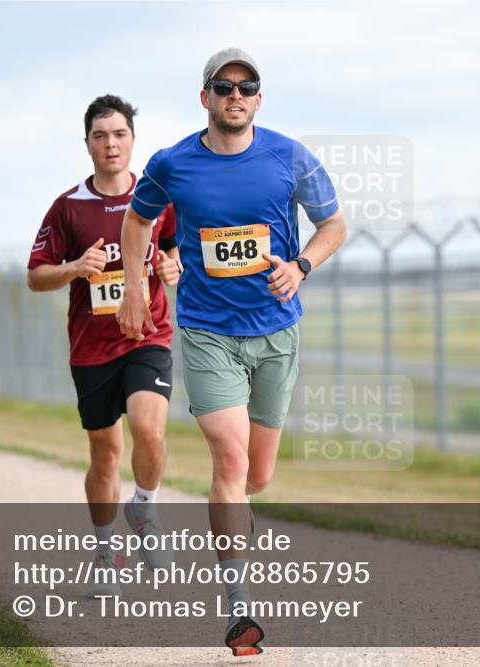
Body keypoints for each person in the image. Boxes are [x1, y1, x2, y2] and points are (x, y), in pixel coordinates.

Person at [117, 48, 346, 655]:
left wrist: (300, 266)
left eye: (246, 87)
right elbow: (137, 224)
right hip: (206, 331)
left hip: (275, 331)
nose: (235, 96)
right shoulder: (173, 162)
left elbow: (334, 227)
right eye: (223, 87)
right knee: (229, 455)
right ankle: (239, 606)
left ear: (259, 99)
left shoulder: (291, 156)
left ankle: (235, 517)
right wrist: (137, 284)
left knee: (256, 476)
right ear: (206, 98)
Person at [27, 94, 180, 597]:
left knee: (148, 430)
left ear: (133, 140)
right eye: (100, 135)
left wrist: (172, 267)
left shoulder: (158, 199)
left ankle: (146, 509)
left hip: (147, 335)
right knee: (106, 452)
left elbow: (178, 252)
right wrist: (74, 268)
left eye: (119, 134)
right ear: (87, 143)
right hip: (91, 347)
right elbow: (36, 277)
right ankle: (105, 553)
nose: (110, 143)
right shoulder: (68, 207)